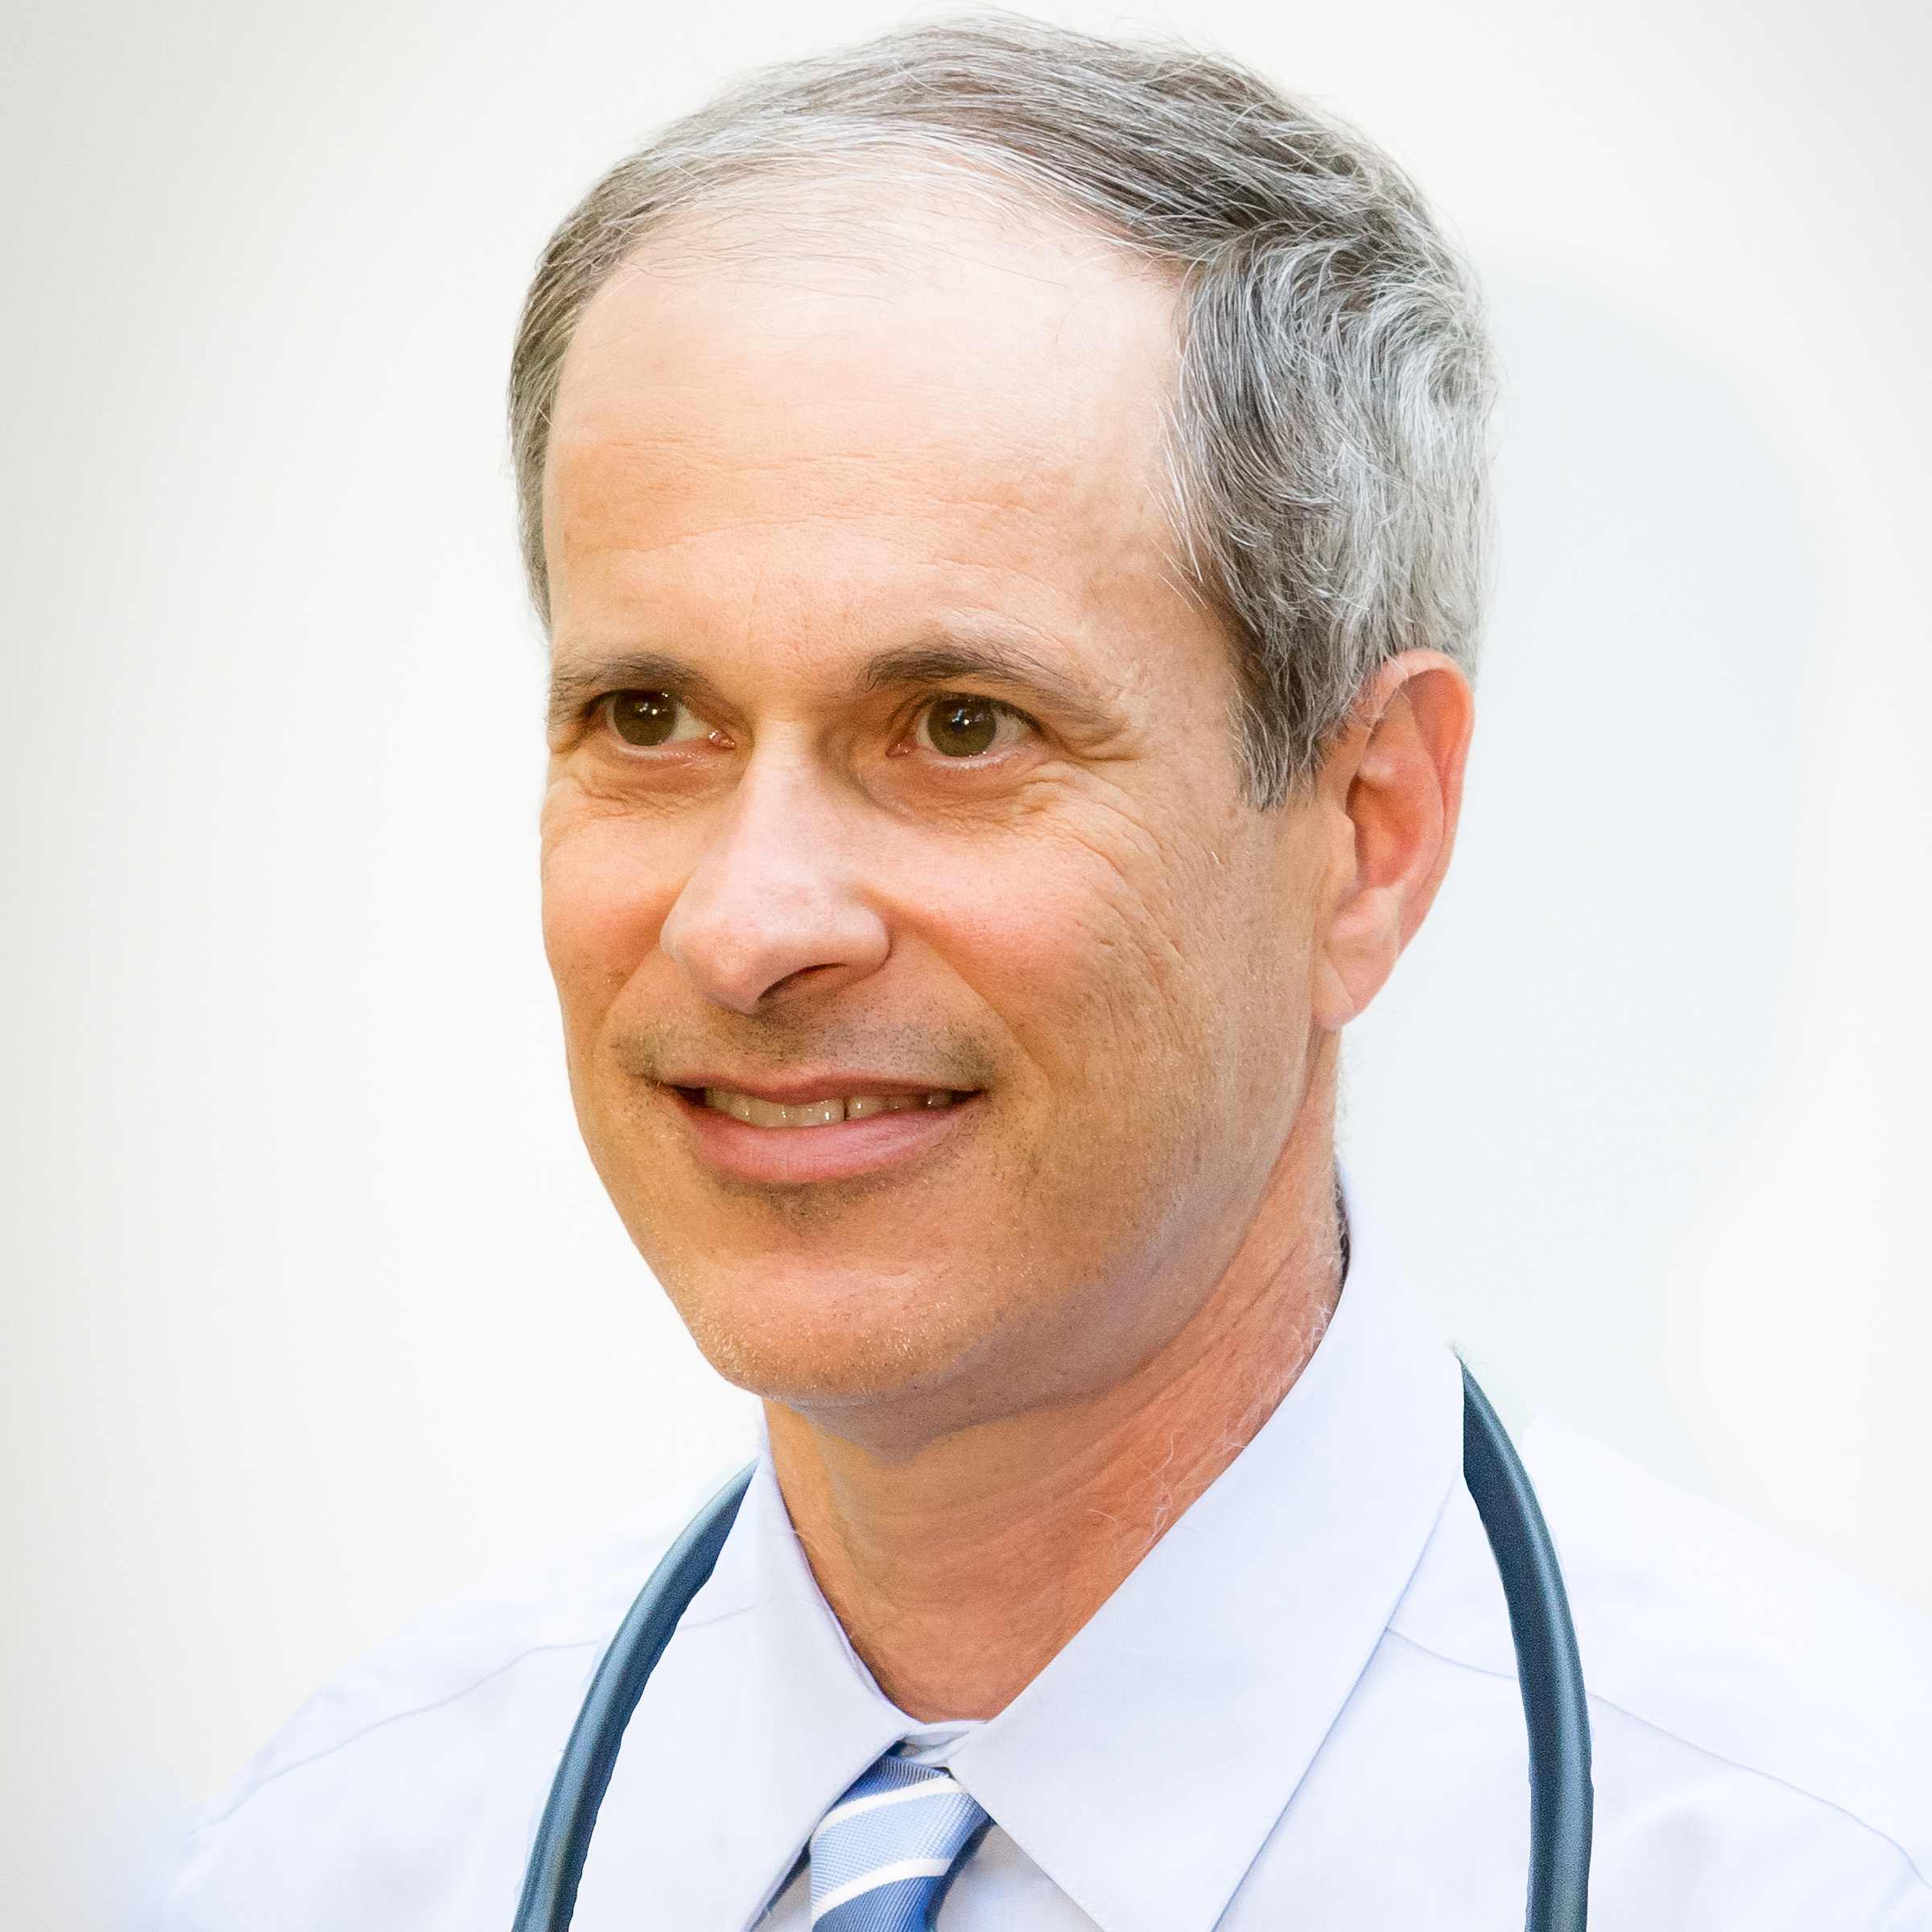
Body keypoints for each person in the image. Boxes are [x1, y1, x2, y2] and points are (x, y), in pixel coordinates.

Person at [159, 18, 1930, 1930]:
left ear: (1370, 827)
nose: (749, 925)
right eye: (649, 717)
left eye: (961, 725)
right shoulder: (335, 1857)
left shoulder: (1825, 1863)